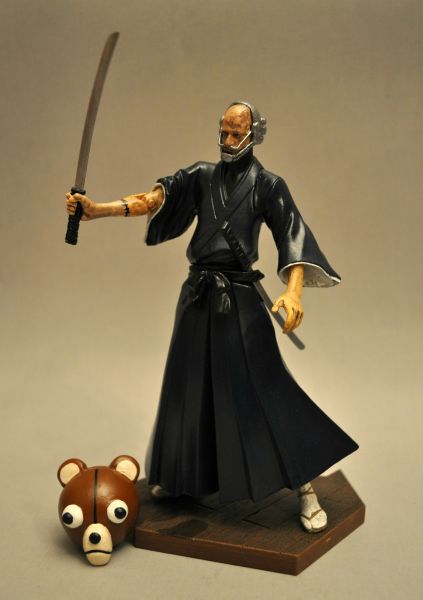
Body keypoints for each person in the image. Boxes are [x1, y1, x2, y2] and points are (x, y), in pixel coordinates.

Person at [66, 102, 358, 533]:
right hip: (198, 294)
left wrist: (293, 292)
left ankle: (305, 487)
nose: (228, 140)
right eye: (224, 132)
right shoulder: (202, 176)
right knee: (187, 386)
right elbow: (154, 198)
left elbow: (293, 234)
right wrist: (99, 210)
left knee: (264, 388)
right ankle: (182, 477)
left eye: (237, 133)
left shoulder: (268, 185)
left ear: (254, 135)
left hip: (238, 297)